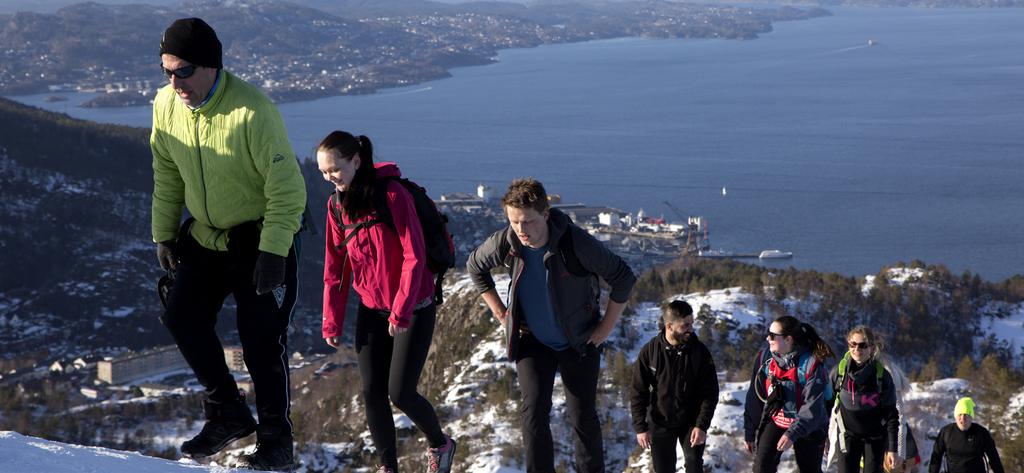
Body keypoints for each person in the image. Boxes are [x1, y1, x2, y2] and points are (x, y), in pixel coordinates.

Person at [151, 17, 307, 471]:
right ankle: (228, 413)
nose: (174, 81)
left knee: (261, 341)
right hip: (205, 234)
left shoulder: (252, 111)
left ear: (211, 66)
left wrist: (275, 252)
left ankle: (276, 440)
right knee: (181, 316)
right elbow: (167, 173)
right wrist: (162, 233)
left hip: (260, 237)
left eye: (182, 70)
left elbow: (289, 191)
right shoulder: (165, 106)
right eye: (166, 71)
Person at [466, 178, 636, 473]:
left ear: (545, 214)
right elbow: (475, 267)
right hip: (533, 340)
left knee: (582, 417)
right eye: (514, 221)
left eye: (528, 221)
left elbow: (623, 277)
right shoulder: (507, 241)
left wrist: (605, 328)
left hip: (579, 341)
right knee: (532, 416)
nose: (521, 230)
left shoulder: (575, 243)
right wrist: (501, 313)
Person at [319, 131, 455, 473]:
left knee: (401, 392)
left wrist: (401, 310)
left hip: (414, 306)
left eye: (335, 169)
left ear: (356, 161)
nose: (330, 177)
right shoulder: (336, 206)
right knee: (371, 391)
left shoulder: (392, 195)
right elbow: (335, 266)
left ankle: (441, 444)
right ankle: (388, 467)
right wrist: (331, 320)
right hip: (371, 307)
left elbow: (414, 255)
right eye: (324, 172)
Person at [629, 300, 719, 473]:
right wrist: (640, 427)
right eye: (685, 325)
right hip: (660, 422)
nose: (691, 329)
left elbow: (710, 392)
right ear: (669, 326)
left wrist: (701, 425)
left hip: (691, 422)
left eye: (692, 324)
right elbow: (638, 392)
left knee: (694, 465)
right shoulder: (650, 352)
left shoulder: (699, 352)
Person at [744, 315, 835, 473]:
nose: (767, 338)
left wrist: (792, 434)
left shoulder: (811, 365)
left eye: (772, 336)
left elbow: (812, 407)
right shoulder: (765, 359)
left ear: (788, 339)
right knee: (761, 468)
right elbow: (754, 397)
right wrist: (749, 431)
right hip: (777, 419)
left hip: (809, 425)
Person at [824, 326, 900, 473]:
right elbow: (826, 406)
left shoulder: (882, 376)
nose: (857, 349)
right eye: (853, 344)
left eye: (862, 345)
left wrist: (893, 448)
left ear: (871, 348)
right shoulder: (839, 374)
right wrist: (823, 437)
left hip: (875, 438)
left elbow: (891, 415)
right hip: (847, 436)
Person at [928, 397, 1004, 473]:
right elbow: (936, 458)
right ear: (955, 416)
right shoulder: (946, 433)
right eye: (960, 414)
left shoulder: (981, 433)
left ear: (971, 417)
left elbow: (994, 458)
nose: (963, 418)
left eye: (966, 414)